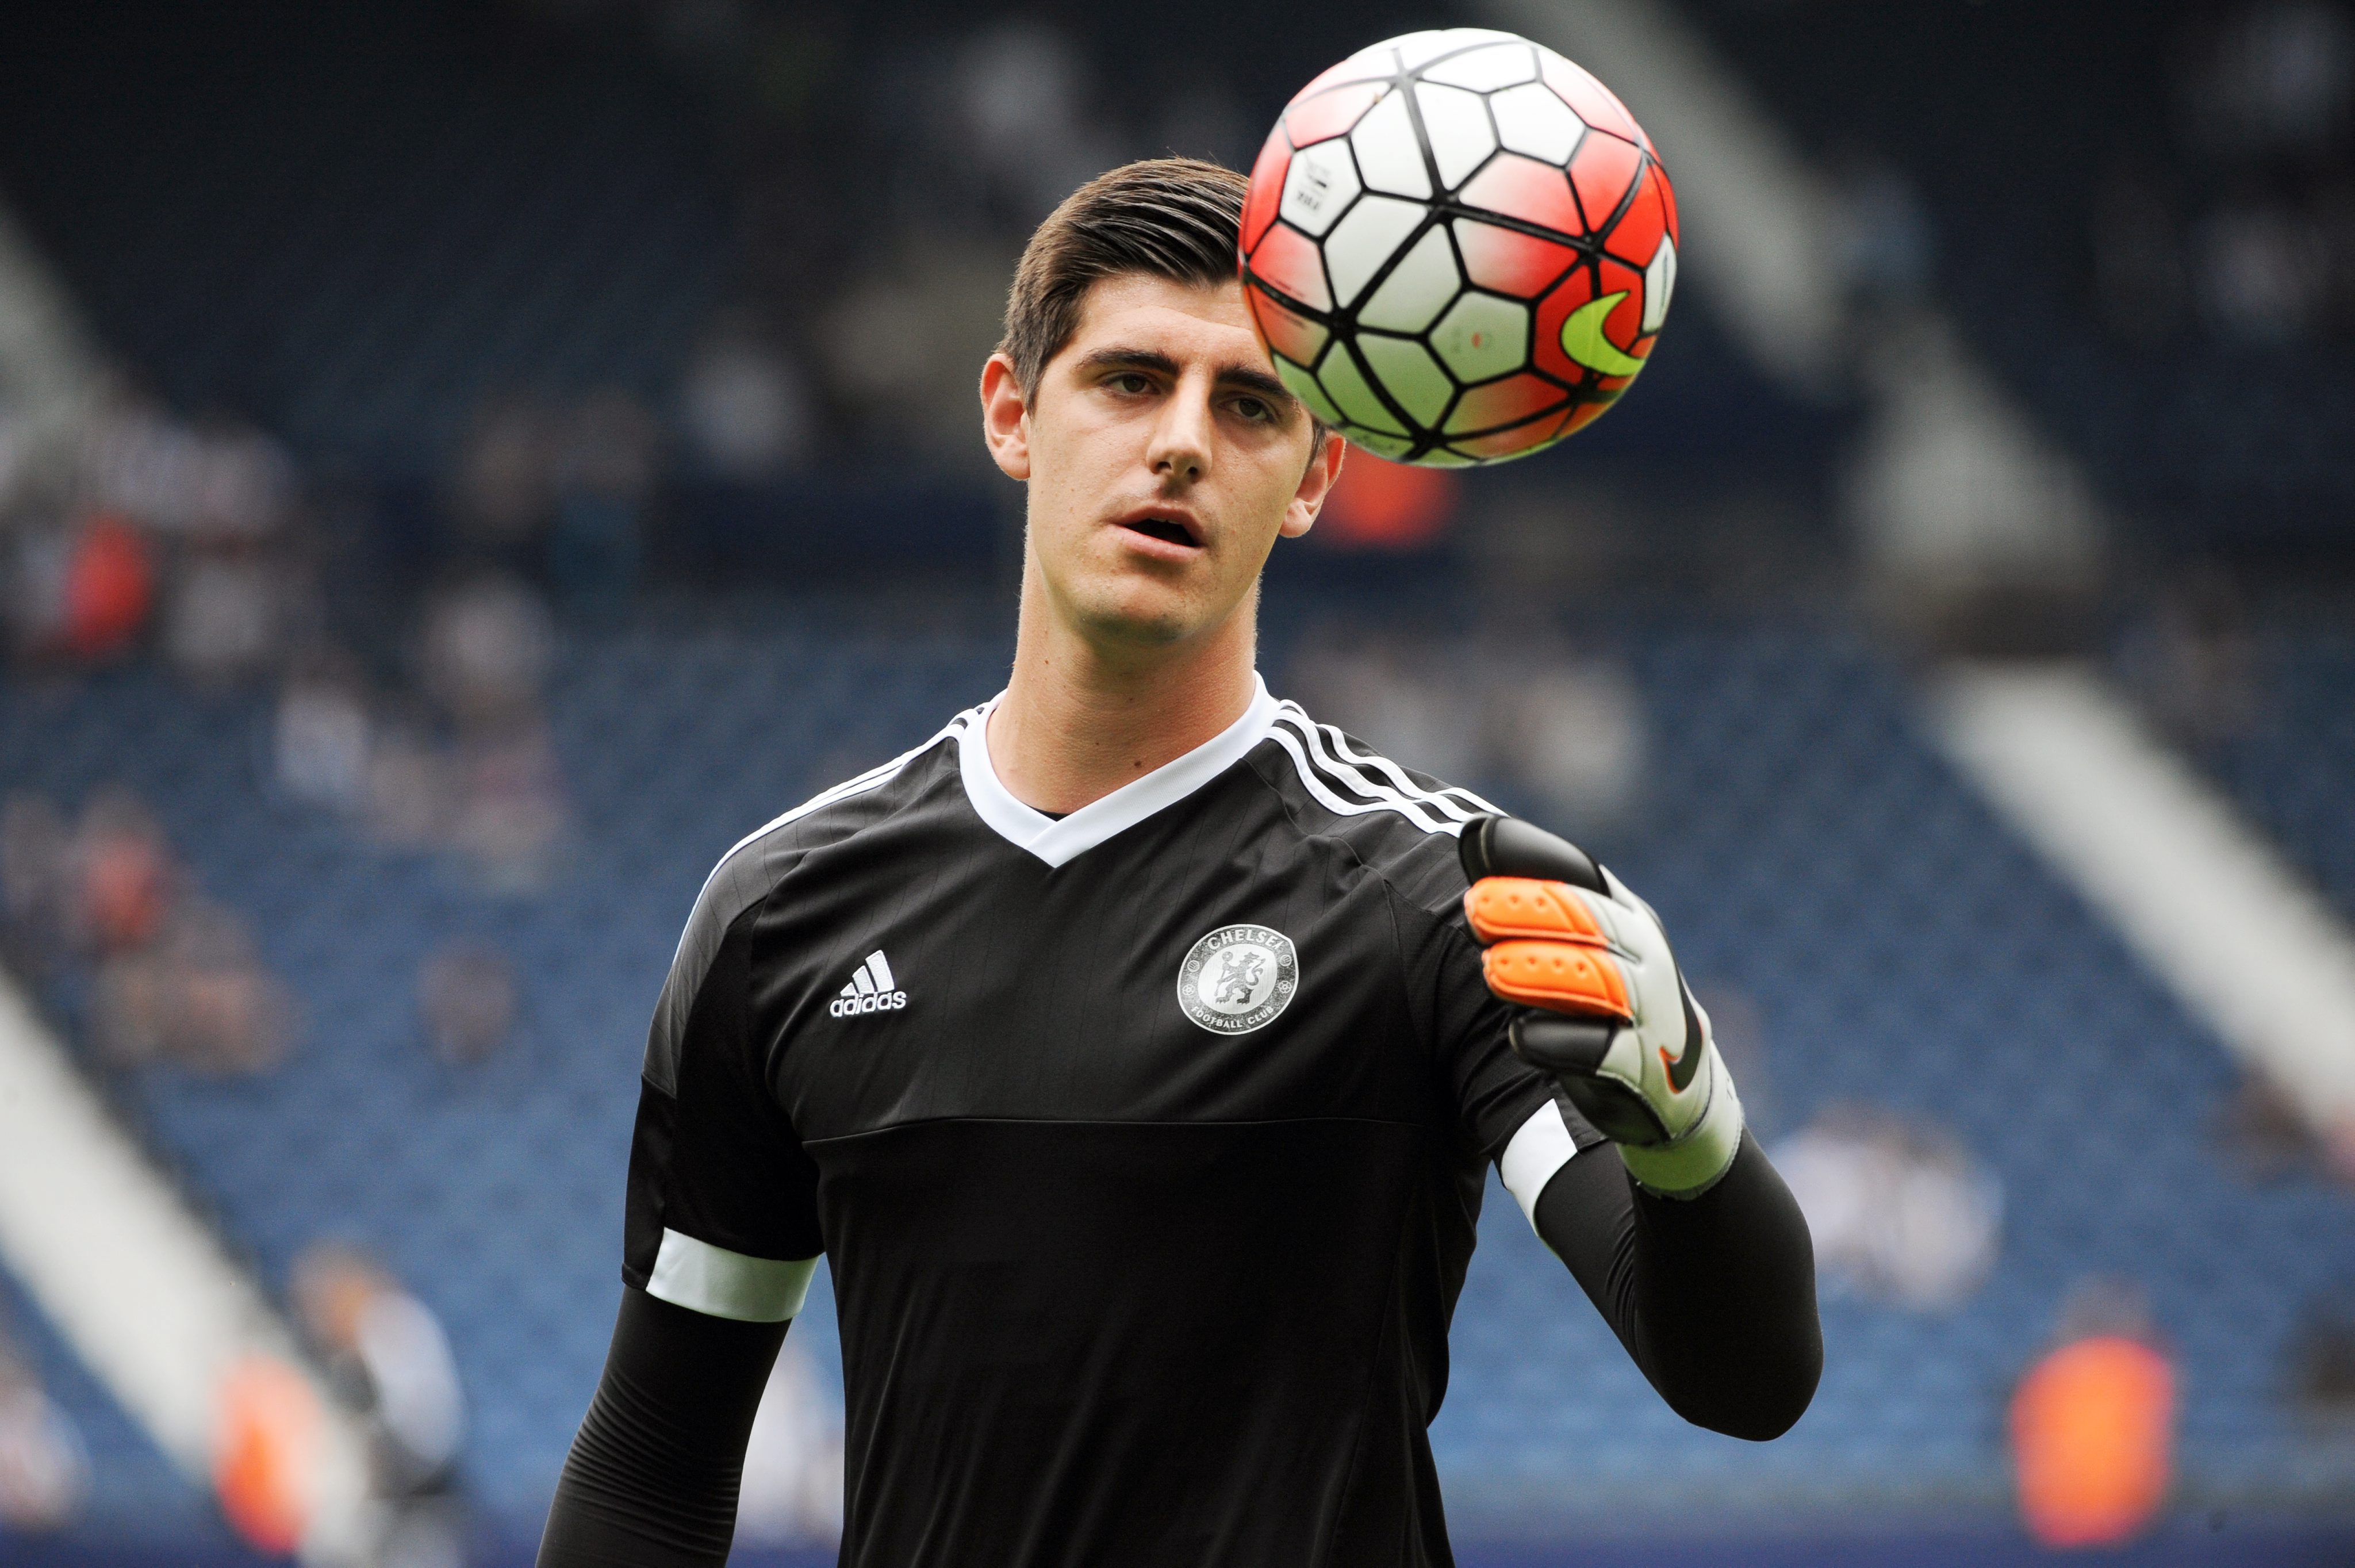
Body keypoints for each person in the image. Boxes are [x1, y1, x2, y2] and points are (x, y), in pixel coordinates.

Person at [537, 159, 1819, 1568]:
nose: (1183, 443)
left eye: (1250, 404)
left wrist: (1690, 1136)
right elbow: (654, 1464)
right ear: (1012, 414)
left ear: (1313, 476)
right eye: (1131, 381)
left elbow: (1741, 1382)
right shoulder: (784, 912)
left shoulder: (1433, 897)